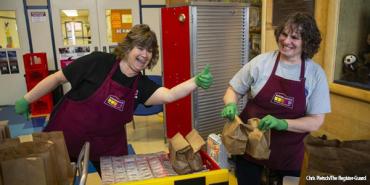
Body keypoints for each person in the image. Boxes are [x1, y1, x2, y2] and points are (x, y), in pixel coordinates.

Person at [15, 24, 213, 172]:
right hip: (67, 136)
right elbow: (58, 78)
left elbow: (169, 95)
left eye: (150, 50)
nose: (145, 54)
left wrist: (195, 81)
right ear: (128, 48)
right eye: (141, 47)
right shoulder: (98, 62)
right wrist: (27, 99)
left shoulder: (141, 85)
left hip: (107, 147)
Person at [221, 13, 330, 185]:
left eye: (295, 37)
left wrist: (283, 123)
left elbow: (315, 121)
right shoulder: (261, 63)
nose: (286, 41)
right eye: (284, 34)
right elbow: (233, 89)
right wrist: (231, 104)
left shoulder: (315, 74)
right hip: (249, 150)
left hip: (288, 157)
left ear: (307, 42)